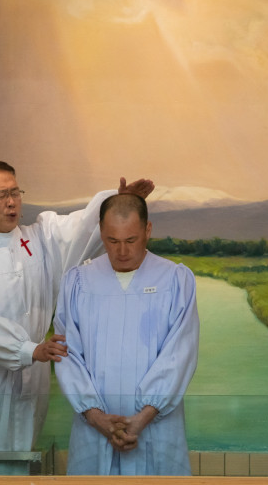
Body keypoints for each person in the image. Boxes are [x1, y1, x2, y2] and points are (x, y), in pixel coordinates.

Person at [0, 161, 153, 475]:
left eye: (15, 193)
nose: (11, 202)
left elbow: (80, 230)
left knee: (22, 458)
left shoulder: (37, 240)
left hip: (33, 375)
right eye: (0, 195)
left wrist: (117, 204)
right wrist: (28, 349)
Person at [53, 193, 200, 476]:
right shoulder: (78, 282)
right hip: (93, 427)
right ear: (101, 232)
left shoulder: (175, 280)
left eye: (131, 240)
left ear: (148, 230)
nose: (121, 251)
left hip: (156, 427)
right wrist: (95, 416)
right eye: (112, 240)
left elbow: (180, 353)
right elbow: (67, 353)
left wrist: (144, 416)